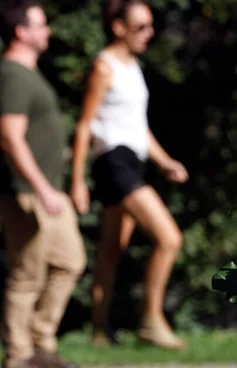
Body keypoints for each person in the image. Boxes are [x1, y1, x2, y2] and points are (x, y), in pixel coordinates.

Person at [70, 0, 188, 350]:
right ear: (118, 27)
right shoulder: (104, 67)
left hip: (131, 159)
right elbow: (84, 125)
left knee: (111, 250)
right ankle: (151, 321)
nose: (149, 33)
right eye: (141, 27)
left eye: (151, 26)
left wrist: (165, 161)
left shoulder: (132, 67)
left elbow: (138, 128)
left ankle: (98, 331)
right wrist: (77, 180)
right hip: (113, 161)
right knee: (169, 238)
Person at [0, 0, 86, 368]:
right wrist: (40, 189)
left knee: (70, 262)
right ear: (21, 31)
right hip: (28, 192)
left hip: (49, 191)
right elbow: (9, 137)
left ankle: (39, 346)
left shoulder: (28, 73)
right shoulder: (13, 74)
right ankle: (17, 359)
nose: (47, 31)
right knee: (26, 276)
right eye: (41, 24)